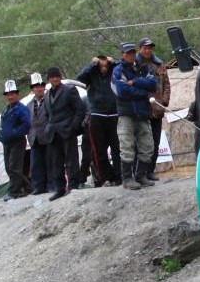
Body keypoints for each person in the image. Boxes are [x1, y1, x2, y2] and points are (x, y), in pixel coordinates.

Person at [113, 44, 162, 188]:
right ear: (122, 54)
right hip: (126, 113)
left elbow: (153, 85)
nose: (131, 55)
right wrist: (142, 92)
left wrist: (135, 82)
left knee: (148, 145)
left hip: (142, 112)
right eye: (128, 53)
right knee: (126, 145)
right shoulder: (117, 70)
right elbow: (121, 91)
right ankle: (127, 179)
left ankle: (141, 176)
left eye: (132, 53)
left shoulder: (143, 68)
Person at [75, 53, 121, 186]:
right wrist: (92, 65)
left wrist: (113, 62)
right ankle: (106, 177)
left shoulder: (114, 70)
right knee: (99, 150)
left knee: (117, 148)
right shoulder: (91, 73)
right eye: (101, 65)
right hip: (97, 115)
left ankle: (119, 176)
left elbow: (125, 67)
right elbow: (80, 77)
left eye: (106, 65)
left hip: (114, 114)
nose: (104, 68)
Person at [43, 67, 84, 199]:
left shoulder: (69, 90)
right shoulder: (46, 95)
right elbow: (47, 114)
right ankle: (59, 188)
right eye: (52, 77)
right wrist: (47, 127)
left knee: (71, 159)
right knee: (56, 161)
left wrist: (74, 126)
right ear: (49, 79)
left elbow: (80, 109)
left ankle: (73, 185)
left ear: (60, 77)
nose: (55, 79)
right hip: (53, 133)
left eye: (57, 76)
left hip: (67, 129)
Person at [138, 38, 171, 174]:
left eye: (150, 48)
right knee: (143, 143)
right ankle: (141, 172)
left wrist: (164, 101)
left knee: (156, 142)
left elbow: (167, 84)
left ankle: (150, 171)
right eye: (145, 48)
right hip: (142, 110)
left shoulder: (159, 64)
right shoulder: (135, 64)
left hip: (157, 109)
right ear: (140, 49)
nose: (148, 50)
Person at [0, 79, 31, 199]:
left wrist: (16, 133)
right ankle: (27, 188)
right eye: (8, 94)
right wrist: (0, 135)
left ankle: (14, 191)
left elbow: (26, 124)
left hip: (17, 142)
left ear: (17, 94)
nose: (10, 96)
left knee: (14, 167)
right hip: (7, 143)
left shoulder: (22, 109)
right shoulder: (6, 109)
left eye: (12, 94)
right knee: (8, 167)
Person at [26, 73, 51, 196]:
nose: (39, 88)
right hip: (34, 138)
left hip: (48, 136)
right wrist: (29, 134)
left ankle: (51, 186)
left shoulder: (49, 100)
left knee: (50, 162)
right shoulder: (29, 105)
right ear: (33, 89)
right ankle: (38, 187)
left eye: (41, 86)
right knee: (36, 164)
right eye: (36, 86)